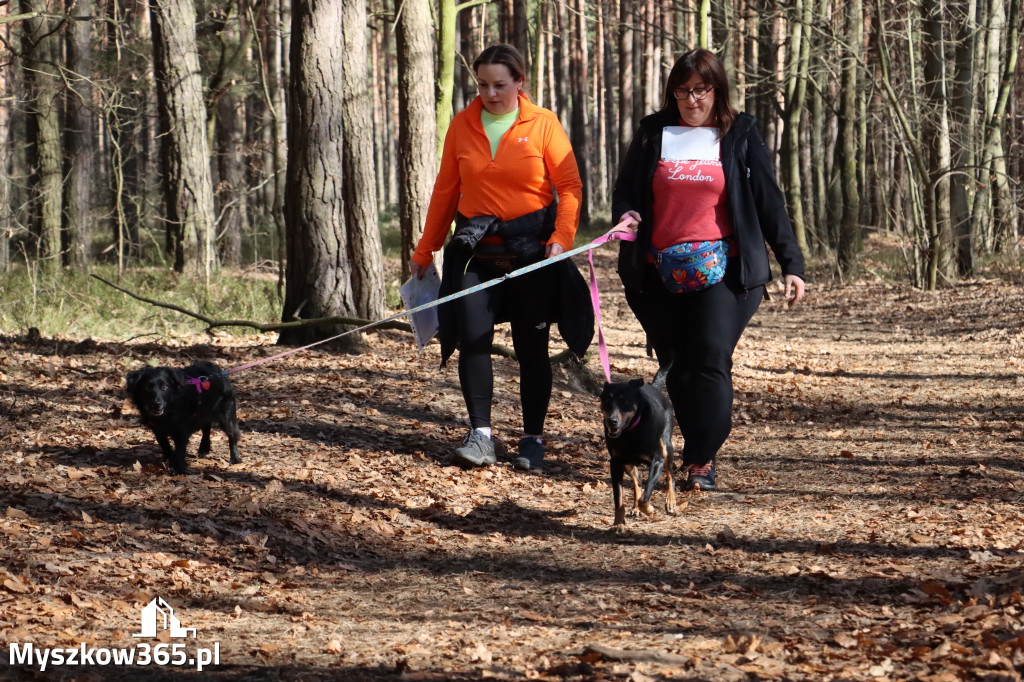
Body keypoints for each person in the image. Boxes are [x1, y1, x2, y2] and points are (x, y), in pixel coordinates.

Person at [611, 48, 806, 491]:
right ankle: (678, 447)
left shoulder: (739, 134)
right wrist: (626, 217)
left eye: (701, 90)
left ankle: (701, 458)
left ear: (717, 90)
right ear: (672, 93)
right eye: (683, 91)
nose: (692, 100)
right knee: (677, 364)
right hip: (657, 272)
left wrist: (792, 264)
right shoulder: (652, 133)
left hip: (726, 271)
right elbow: (625, 190)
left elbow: (769, 202)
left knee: (711, 358)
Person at [410, 44, 592, 473]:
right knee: (473, 337)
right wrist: (425, 249)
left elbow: (569, 188)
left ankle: (532, 439)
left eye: (500, 84)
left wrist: (561, 238)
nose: (490, 93)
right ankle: (482, 436)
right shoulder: (462, 125)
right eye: (482, 84)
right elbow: (445, 192)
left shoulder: (543, 124)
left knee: (533, 347)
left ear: (519, 83)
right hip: (477, 253)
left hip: (532, 254)